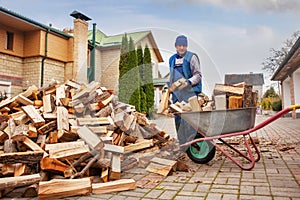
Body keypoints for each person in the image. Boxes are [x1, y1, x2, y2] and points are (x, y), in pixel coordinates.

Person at [167, 35, 202, 149]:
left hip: (190, 92)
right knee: (178, 118)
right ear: (175, 46)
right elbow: (172, 76)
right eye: (179, 45)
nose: (182, 48)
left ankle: (193, 144)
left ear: (186, 46)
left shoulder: (192, 57)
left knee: (190, 119)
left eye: (184, 45)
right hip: (177, 94)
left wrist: (188, 82)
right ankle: (182, 145)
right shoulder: (172, 59)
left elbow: (198, 75)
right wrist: (168, 87)